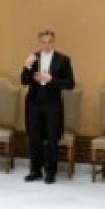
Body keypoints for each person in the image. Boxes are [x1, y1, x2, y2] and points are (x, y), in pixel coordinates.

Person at [20, 29, 75, 184]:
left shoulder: (63, 60)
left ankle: (50, 172)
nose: (46, 45)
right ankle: (35, 170)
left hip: (52, 105)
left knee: (52, 139)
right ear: (39, 42)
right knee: (34, 138)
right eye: (43, 42)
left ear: (53, 42)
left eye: (49, 42)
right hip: (33, 104)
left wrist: (50, 79)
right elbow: (24, 80)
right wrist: (27, 66)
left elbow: (70, 84)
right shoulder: (33, 58)